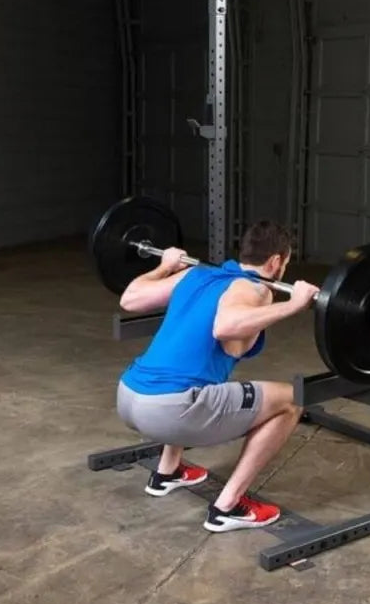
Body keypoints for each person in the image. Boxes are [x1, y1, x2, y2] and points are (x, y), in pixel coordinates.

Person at [115, 220, 320, 533]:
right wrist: (294, 304)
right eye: (286, 263)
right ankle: (228, 507)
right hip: (169, 410)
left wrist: (164, 266)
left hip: (129, 396)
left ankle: (167, 472)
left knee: (202, 380)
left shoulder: (198, 273)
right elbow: (226, 327)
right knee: (292, 400)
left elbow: (129, 298)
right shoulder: (254, 287)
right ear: (275, 261)